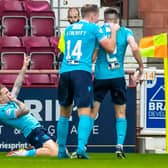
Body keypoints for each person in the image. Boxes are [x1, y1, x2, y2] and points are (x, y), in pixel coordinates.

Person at [57, 4, 120, 159]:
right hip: (81, 72)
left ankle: (61, 151)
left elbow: (68, 51)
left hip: (65, 72)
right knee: (84, 111)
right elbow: (111, 48)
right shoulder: (94, 29)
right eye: (97, 17)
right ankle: (80, 149)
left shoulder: (68, 30)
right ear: (92, 17)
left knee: (64, 113)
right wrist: (113, 31)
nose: (98, 20)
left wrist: (95, 48)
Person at [92, 8, 144, 159]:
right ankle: (119, 146)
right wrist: (140, 66)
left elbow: (93, 56)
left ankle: (82, 147)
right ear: (118, 20)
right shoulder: (126, 31)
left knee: (92, 113)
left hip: (101, 77)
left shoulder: (98, 31)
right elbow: (134, 47)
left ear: (104, 19)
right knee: (120, 113)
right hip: (117, 77)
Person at [0, 56, 59, 157]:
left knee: (63, 152)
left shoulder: (9, 101)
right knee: (55, 153)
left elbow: (17, 85)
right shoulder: (3, 111)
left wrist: (24, 67)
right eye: (6, 93)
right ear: (0, 99)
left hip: (38, 129)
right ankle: (21, 153)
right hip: (32, 132)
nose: (9, 93)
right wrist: (15, 100)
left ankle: (33, 148)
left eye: (8, 91)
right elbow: (25, 110)